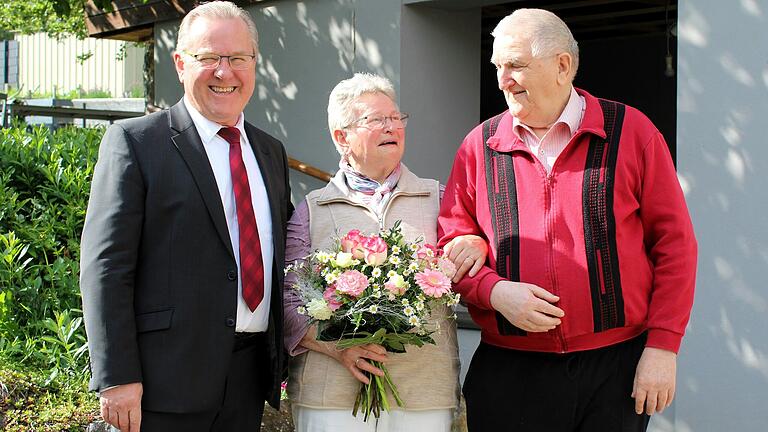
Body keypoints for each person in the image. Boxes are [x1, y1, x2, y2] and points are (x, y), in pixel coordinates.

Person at [438, 8, 697, 432]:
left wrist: (663, 347)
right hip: (508, 369)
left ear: (563, 66)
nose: (503, 79)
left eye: (516, 65)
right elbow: (449, 241)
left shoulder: (632, 131)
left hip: (615, 367)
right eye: (498, 66)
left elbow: (675, 245)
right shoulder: (479, 145)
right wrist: (493, 290)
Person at [79, 2, 293, 431]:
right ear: (180, 64)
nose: (223, 71)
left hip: (247, 379)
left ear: (254, 63)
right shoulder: (135, 142)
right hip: (163, 383)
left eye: (236, 58)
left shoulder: (270, 151)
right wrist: (118, 376)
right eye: (208, 58)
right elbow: (105, 267)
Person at [283, 72, 487, 432]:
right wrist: (340, 348)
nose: (392, 127)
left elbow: (476, 247)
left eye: (396, 118)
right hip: (331, 397)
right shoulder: (312, 209)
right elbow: (286, 301)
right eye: (376, 120)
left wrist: (477, 242)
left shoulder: (439, 197)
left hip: (423, 395)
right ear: (341, 137)